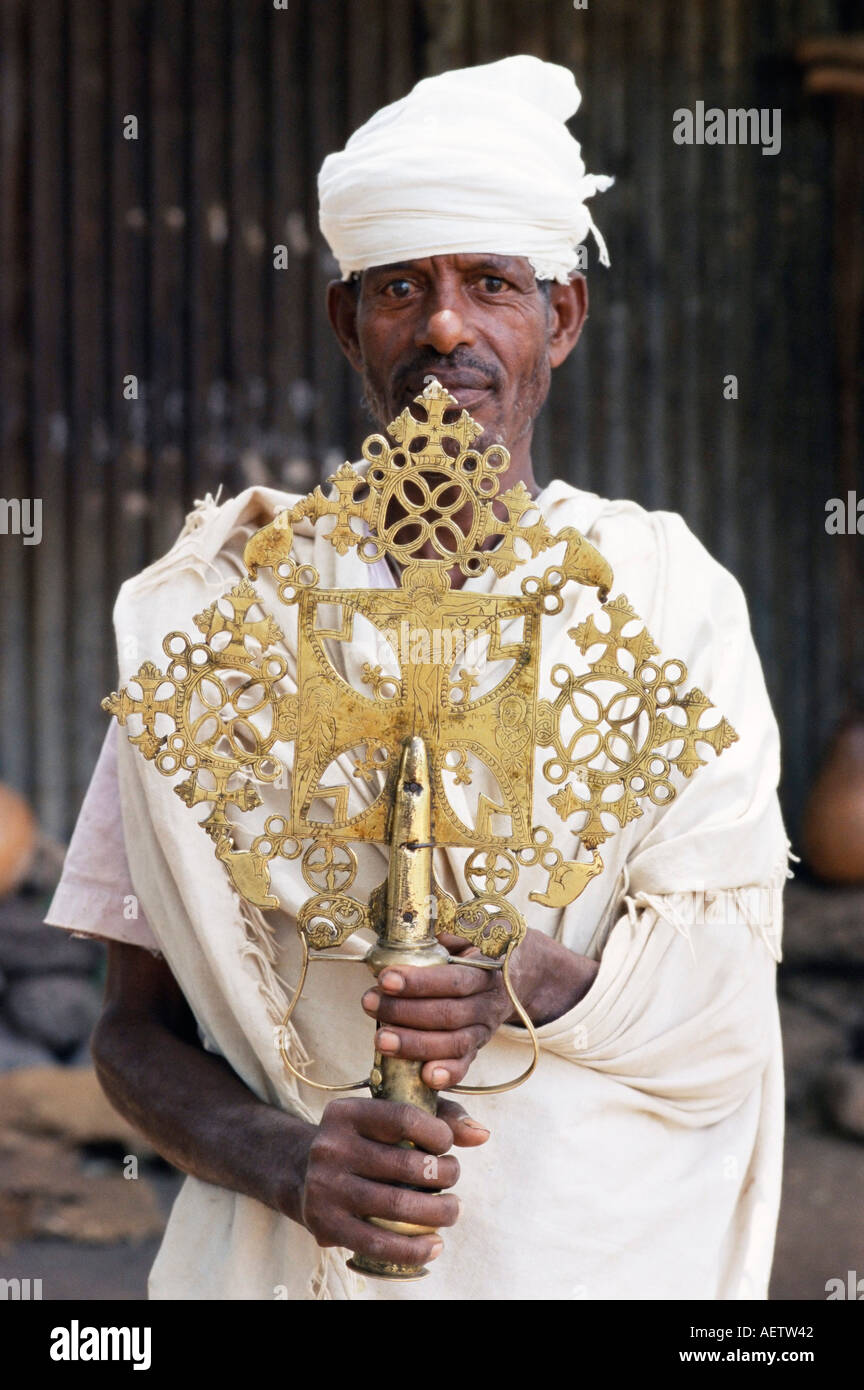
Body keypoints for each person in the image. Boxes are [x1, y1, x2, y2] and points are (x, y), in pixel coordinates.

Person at [47, 56, 790, 1300]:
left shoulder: (669, 606)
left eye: (489, 284)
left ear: (560, 317)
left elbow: (722, 1023)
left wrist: (536, 983)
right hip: (291, 1268)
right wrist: (290, 1164)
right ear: (350, 323)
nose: (446, 326)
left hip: (594, 1261)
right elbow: (132, 1032)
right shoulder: (221, 613)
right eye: (404, 288)